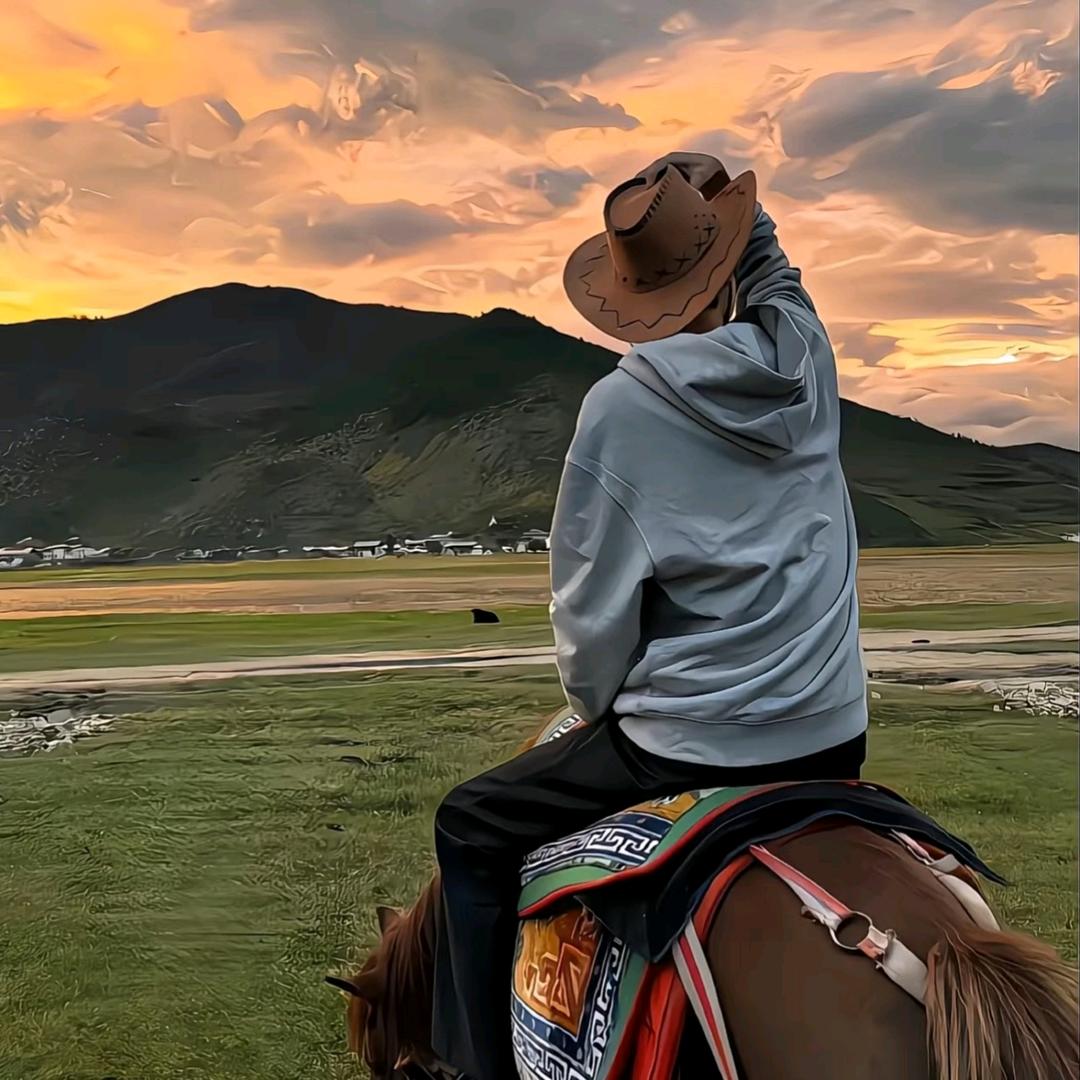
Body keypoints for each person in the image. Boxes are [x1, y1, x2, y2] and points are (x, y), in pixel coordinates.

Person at [431, 151, 868, 1080]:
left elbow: (592, 617)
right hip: (834, 737)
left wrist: (598, 708)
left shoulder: (621, 407)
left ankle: (478, 1069)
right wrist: (725, 201)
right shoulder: (806, 354)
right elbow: (776, 270)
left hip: (692, 745)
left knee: (468, 826)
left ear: (628, 295)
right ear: (729, 259)